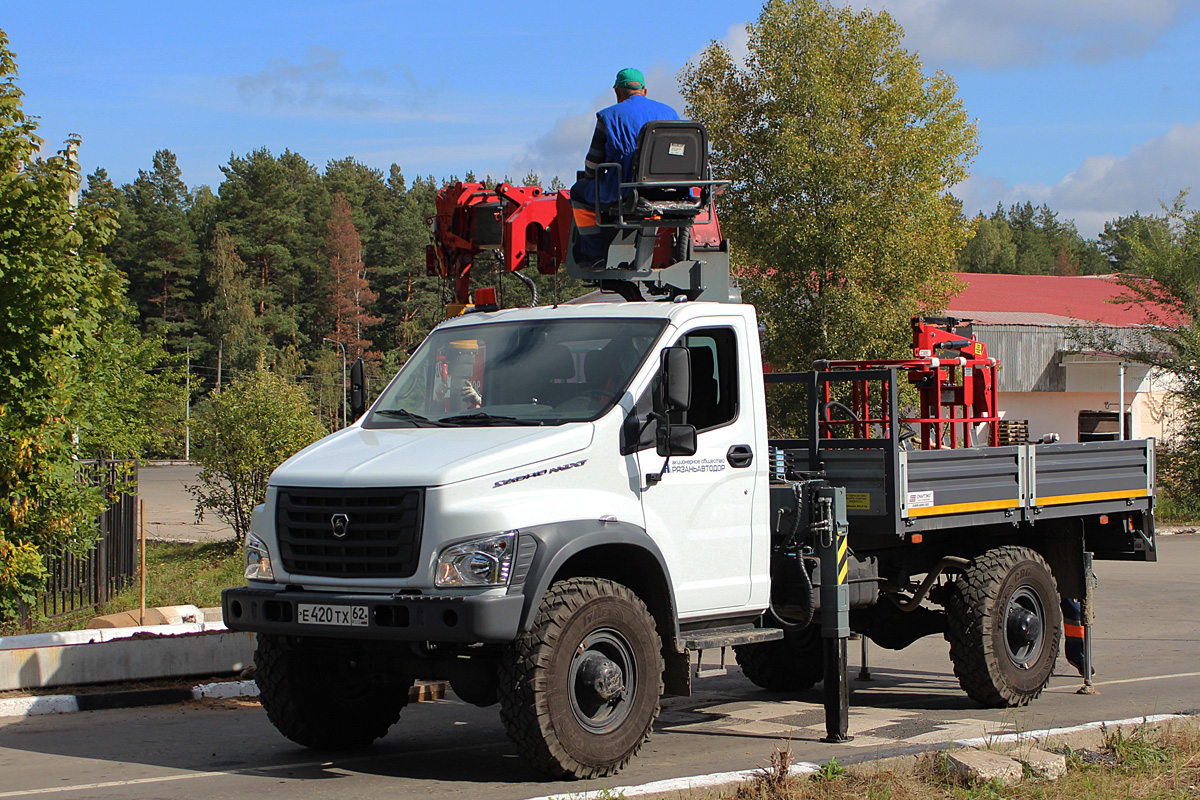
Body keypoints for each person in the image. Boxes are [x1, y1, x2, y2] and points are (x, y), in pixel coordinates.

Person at [571, 68, 680, 267]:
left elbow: (593, 164)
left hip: (627, 192)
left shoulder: (609, 117)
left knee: (578, 192)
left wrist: (590, 177)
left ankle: (593, 256)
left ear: (617, 93)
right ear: (644, 92)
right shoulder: (670, 113)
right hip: (670, 192)